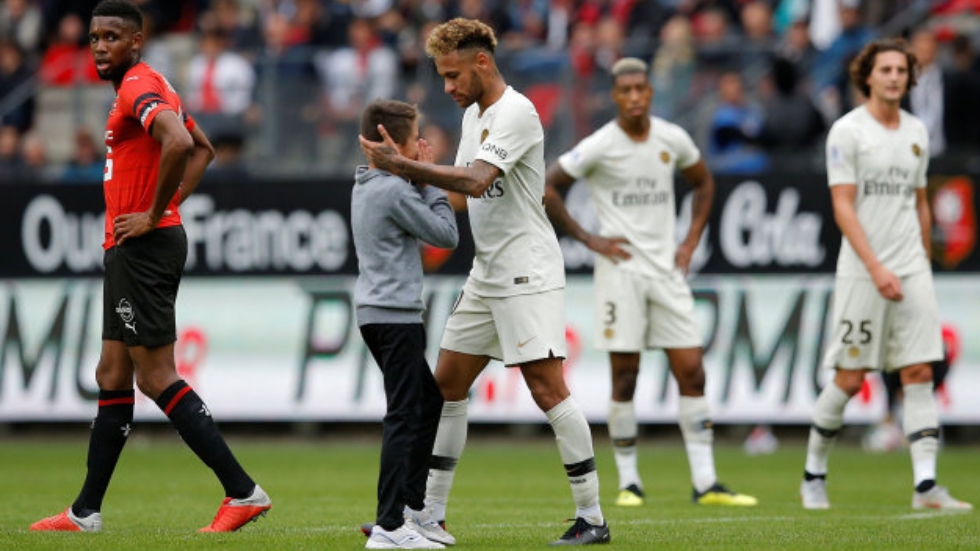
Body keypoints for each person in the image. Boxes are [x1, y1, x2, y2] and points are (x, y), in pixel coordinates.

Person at [359, 17, 610, 546]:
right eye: (441, 77)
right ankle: (430, 514)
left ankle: (592, 517)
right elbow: (456, 196)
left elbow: (476, 180)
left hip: (526, 269)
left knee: (546, 389)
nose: (447, 88)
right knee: (446, 387)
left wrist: (406, 167)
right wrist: (392, 193)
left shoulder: (516, 112)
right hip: (487, 272)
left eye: (453, 76)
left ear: (481, 62)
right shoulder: (474, 114)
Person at [30, 0, 272, 533]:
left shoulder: (139, 85)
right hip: (131, 248)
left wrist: (154, 214)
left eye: (111, 37)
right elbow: (203, 148)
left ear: (135, 42)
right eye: (94, 37)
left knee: (156, 377)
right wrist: (166, 208)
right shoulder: (148, 83)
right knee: (112, 373)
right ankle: (85, 512)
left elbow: (182, 143)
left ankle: (243, 491)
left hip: (143, 248)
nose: (99, 46)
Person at [542, 57, 758, 509]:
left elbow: (703, 182)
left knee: (692, 369)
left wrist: (691, 240)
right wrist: (588, 238)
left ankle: (706, 482)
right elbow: (550, 186)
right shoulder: (600, 144)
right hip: (621, 272)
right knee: (626, 377)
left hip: (666, 270)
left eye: (642, 88)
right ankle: (630, 482)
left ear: (650, 92)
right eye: (627, 91)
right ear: (616, 96)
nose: (636, 97)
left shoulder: (671, 138)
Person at [799, 37, 972, 511]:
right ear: (867, 76)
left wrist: (920, 257)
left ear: (909, 77)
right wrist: (875, 267)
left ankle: (925, 486)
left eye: (901, 70)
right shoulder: (848, 132)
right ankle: (813, 473)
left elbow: (919, 200)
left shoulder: (916, 131)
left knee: (918, 371)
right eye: (886, 69)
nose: (894, 77)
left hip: (911, 268)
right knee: (851, 378)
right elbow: (842, 205)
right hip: (862, 271)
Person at [353, 99, 459, 550]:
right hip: (396, 317)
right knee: (402, 413)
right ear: (394, 142)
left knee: (428, 401)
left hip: (377, 314)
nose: (422, 144)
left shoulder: (365, 184)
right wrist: (430, 180)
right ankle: (389, 525)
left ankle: (411, 510)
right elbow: (445, 234)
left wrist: (410, 173)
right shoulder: (395, 192)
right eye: (416, 136)